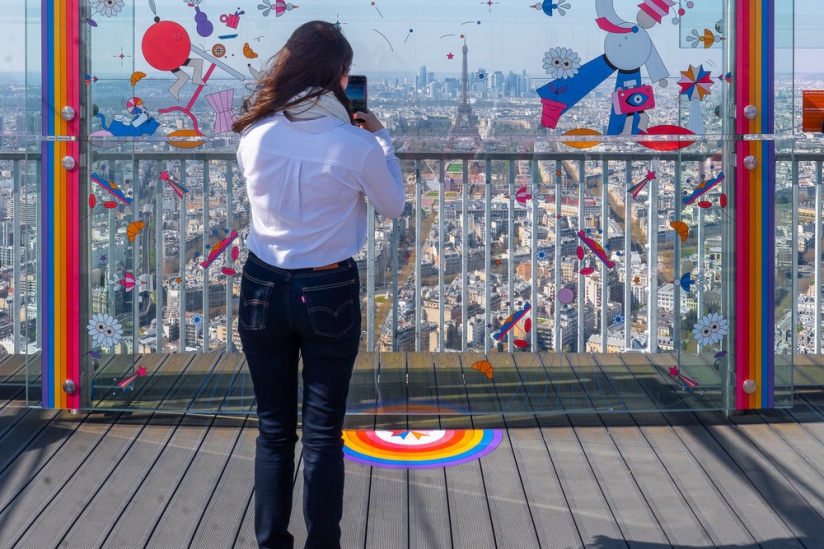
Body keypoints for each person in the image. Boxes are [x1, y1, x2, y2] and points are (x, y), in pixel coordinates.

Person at [232, 20, 406, 549]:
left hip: (261, 284)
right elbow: (392, 206)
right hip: (327, 289)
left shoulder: (254, 136)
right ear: (338, 76)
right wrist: (381, 139)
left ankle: (270, 543)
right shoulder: (354, 145)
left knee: (274, 430)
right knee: (324, 433)